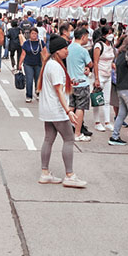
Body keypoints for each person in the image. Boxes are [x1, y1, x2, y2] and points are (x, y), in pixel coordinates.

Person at [37, 35, 87, 189]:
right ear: (57, 51)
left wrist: (69, 83)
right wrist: (68, 111)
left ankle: (45, 173)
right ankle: (70, 175)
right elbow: (59, 90)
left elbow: (57, 87)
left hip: (48, 108)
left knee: (48, 139)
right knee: (69, 138)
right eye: (65, 48)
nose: (67, 51)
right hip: (57, 109)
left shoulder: (49, 64)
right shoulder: (56, 67)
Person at [66, 27, 94, 141]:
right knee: (80, 108)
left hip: (71, 82)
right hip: (82, 82)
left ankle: (66, 130)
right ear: (83, 37)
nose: (88, 39)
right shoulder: (83, 51)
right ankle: (77, 133)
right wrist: (87, 68)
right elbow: (90, 64)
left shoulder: (69, 48)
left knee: (71, 106)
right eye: (87, 37)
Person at [91, 26, 116, 131]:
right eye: (108, 33)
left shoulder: (111, 45)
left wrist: (113, 65)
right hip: (100, 75)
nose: (110, 35)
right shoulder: (98, 45)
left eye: (112, 33)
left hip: (108, 75)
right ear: (103, 34)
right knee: (97, 99)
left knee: (106, 100)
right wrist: (96, 78)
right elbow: (95, 62)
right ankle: (97, 122)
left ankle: (107, 122)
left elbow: (112, 59)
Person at [19, 27, 45, 103]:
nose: (34, 35)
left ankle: (38, 93)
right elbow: (23, 54)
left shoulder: (41, 42)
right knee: (29, 80)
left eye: (35, 33)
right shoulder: (26, 43)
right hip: (28, 64)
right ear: (30, 34)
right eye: (32, 33)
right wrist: (20, 63)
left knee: (38, 80)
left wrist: (45, 63)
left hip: (38, 64)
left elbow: (44, 53)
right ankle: (29, 95)